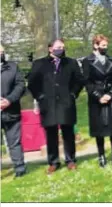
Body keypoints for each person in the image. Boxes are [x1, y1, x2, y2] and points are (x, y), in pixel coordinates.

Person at [27, 39, 84, 174]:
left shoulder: (71, 63)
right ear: (50, 48)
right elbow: (32, 83)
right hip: (48, 104)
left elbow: (79, 81)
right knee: (51, 133)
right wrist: (40, 97)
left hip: (66, 103)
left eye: (63, 47)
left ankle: (70, 160)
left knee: (68, 132)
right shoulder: (39, 64)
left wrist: (73, 94)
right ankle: (53, 162)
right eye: (58, 47)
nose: (61, 50)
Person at [82, 35, 112, 168]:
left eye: (106, 45)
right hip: (95, 98)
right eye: (103, 45)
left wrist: (110, 94)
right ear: (95, 45)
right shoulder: (87, 61)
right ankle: (101, 156)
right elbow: (86, 81)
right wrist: (98, 96)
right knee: (99, 129)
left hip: (110, 97)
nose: (106, 47)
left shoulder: (111, 60)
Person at [0, 44, 27, 177]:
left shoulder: (12, 67)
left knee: (14, 142)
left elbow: (20, 85)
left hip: (11, 111)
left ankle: (20, 169)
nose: (1, 54)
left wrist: (9, 100)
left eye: (2, 52)